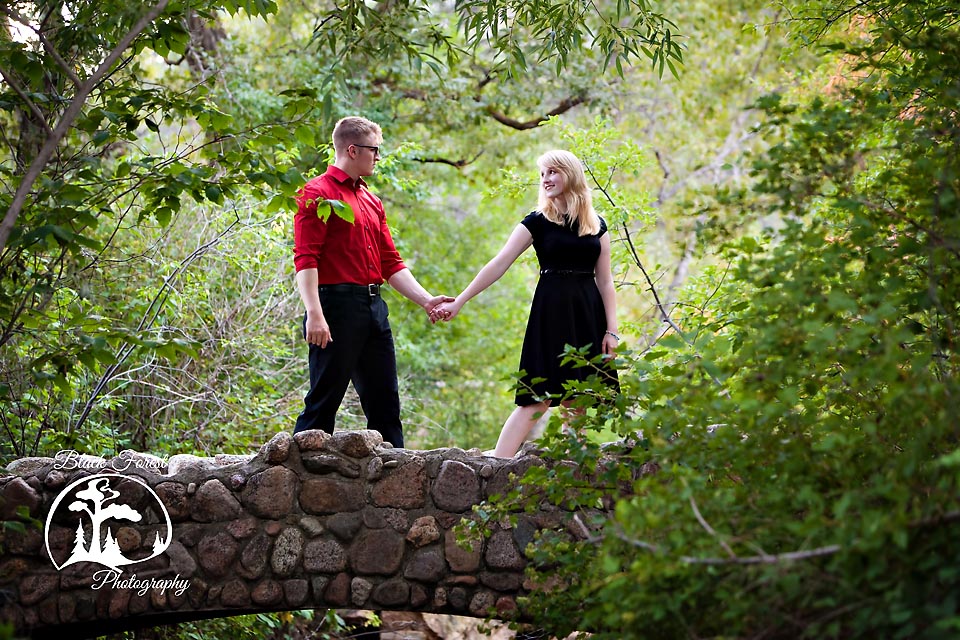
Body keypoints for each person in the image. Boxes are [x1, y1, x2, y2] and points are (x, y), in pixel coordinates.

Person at [435, 149, 620, 458]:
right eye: (542, 173)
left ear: (570, 174)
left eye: (553, 172)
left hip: (587, 314)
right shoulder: (537, 221)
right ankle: (495, 465)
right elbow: (499, 263)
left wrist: (612, 331)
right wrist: (461, 300)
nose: (545, 179)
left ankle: (572, 469)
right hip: (551, 314)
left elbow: (605, 281)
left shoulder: (596, 225)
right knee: (537, 396)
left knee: (578, 398)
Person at [293, 116, 452, 448]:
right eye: (374, 150)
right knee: (323, 402)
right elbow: (306, 259)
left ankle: (396, 473)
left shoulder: (371, 201)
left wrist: (426, 300)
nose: (378, 156)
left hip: (374, 308)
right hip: (335, 308)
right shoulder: (316, 193)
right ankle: (292, 472)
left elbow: (390, 263)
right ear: (352, 150)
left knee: (386, 405)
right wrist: (315, 314)